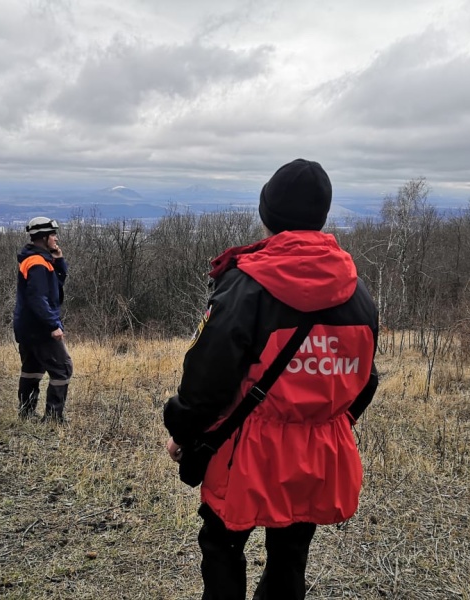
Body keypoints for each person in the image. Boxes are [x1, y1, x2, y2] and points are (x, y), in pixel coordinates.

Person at [163, 159, 379, 600]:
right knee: (291, 555)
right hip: (321, 452)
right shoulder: (357, 292)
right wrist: (328, 424)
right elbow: (366, 379)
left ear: (268, 215)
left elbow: (207, 380)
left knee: (222, 547)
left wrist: (181, 430)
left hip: (247, 450)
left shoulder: (245, 286)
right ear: (321, 215)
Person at [13, 216, 73, 423]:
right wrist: (53, 325)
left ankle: (26, 413)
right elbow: (38, 298)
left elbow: (56, 285)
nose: (56, 238)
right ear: (44, 237)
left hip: (27, 326)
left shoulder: (37, 259)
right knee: (62, 368)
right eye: (53, 235)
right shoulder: (38, 263)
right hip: (39, 328)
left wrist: (59, 261)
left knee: (32, 369)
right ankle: (54, 418)